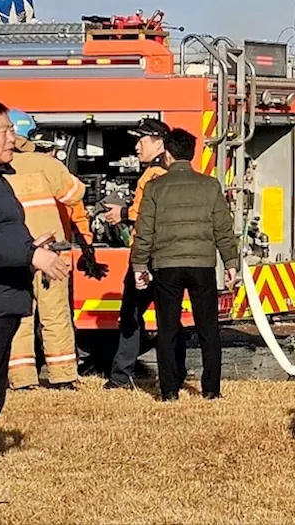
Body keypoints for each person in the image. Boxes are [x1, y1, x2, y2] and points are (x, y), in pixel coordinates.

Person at [0, 99, 71, 516]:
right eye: (5, 131)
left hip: (1, 302)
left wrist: (31, 246)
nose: (13, 138)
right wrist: (30, 257)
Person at [131, 128, 240, 400]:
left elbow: (145, 231)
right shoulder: (210, 185)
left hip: (166, 266)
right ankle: (211, 390)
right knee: (208, 330)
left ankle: (169, 391)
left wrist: (139, 266)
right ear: (191, 155)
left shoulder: (155, 187)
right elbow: (223, 229)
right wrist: (230, 262)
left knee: (167, 329)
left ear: (167, 154)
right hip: (202, 265)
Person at [4, 110, 88, 390]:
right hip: (52, 252)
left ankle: (22, 378)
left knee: (21, 316)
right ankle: (63, 375)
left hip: (14, 252)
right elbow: (74, 193)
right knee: (55, 314)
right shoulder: (43, 163)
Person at [105, 117, 185, 391]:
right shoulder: (170, 170)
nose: (137, 147)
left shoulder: (153, 174)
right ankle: (177, 372)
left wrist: (122, 213)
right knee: (169, 316)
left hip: (147, 255)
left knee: (130, 316)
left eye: (142, 141)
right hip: (169, 255)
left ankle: (120, 376)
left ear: (159, 142)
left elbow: (147, 211)